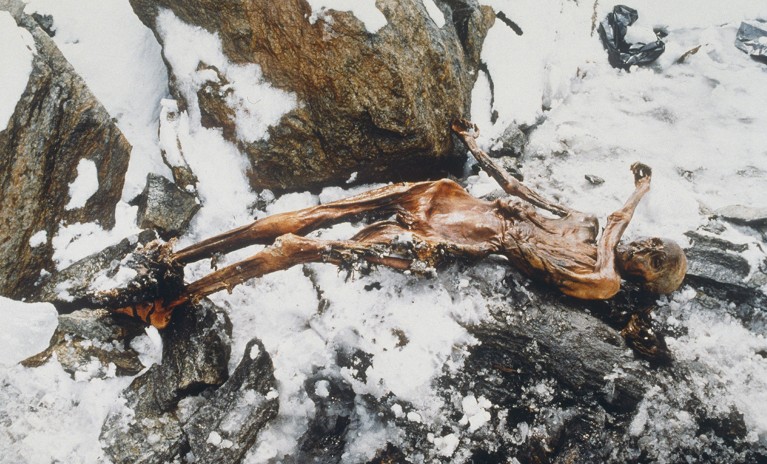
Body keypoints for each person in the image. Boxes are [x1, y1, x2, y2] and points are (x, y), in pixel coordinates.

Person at [108, 120, 687, 328]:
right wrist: (478, 150)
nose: (650, 245)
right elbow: (520, 190)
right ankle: (176, 263)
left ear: (644, 279)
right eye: (657, 242)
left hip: (454, 241)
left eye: (657, 258)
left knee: (304, 245)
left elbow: (574, 249)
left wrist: (632, 199)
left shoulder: (603, 273)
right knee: (318, 214)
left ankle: (177, 300)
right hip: (455, 202)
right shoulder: (592, 227)